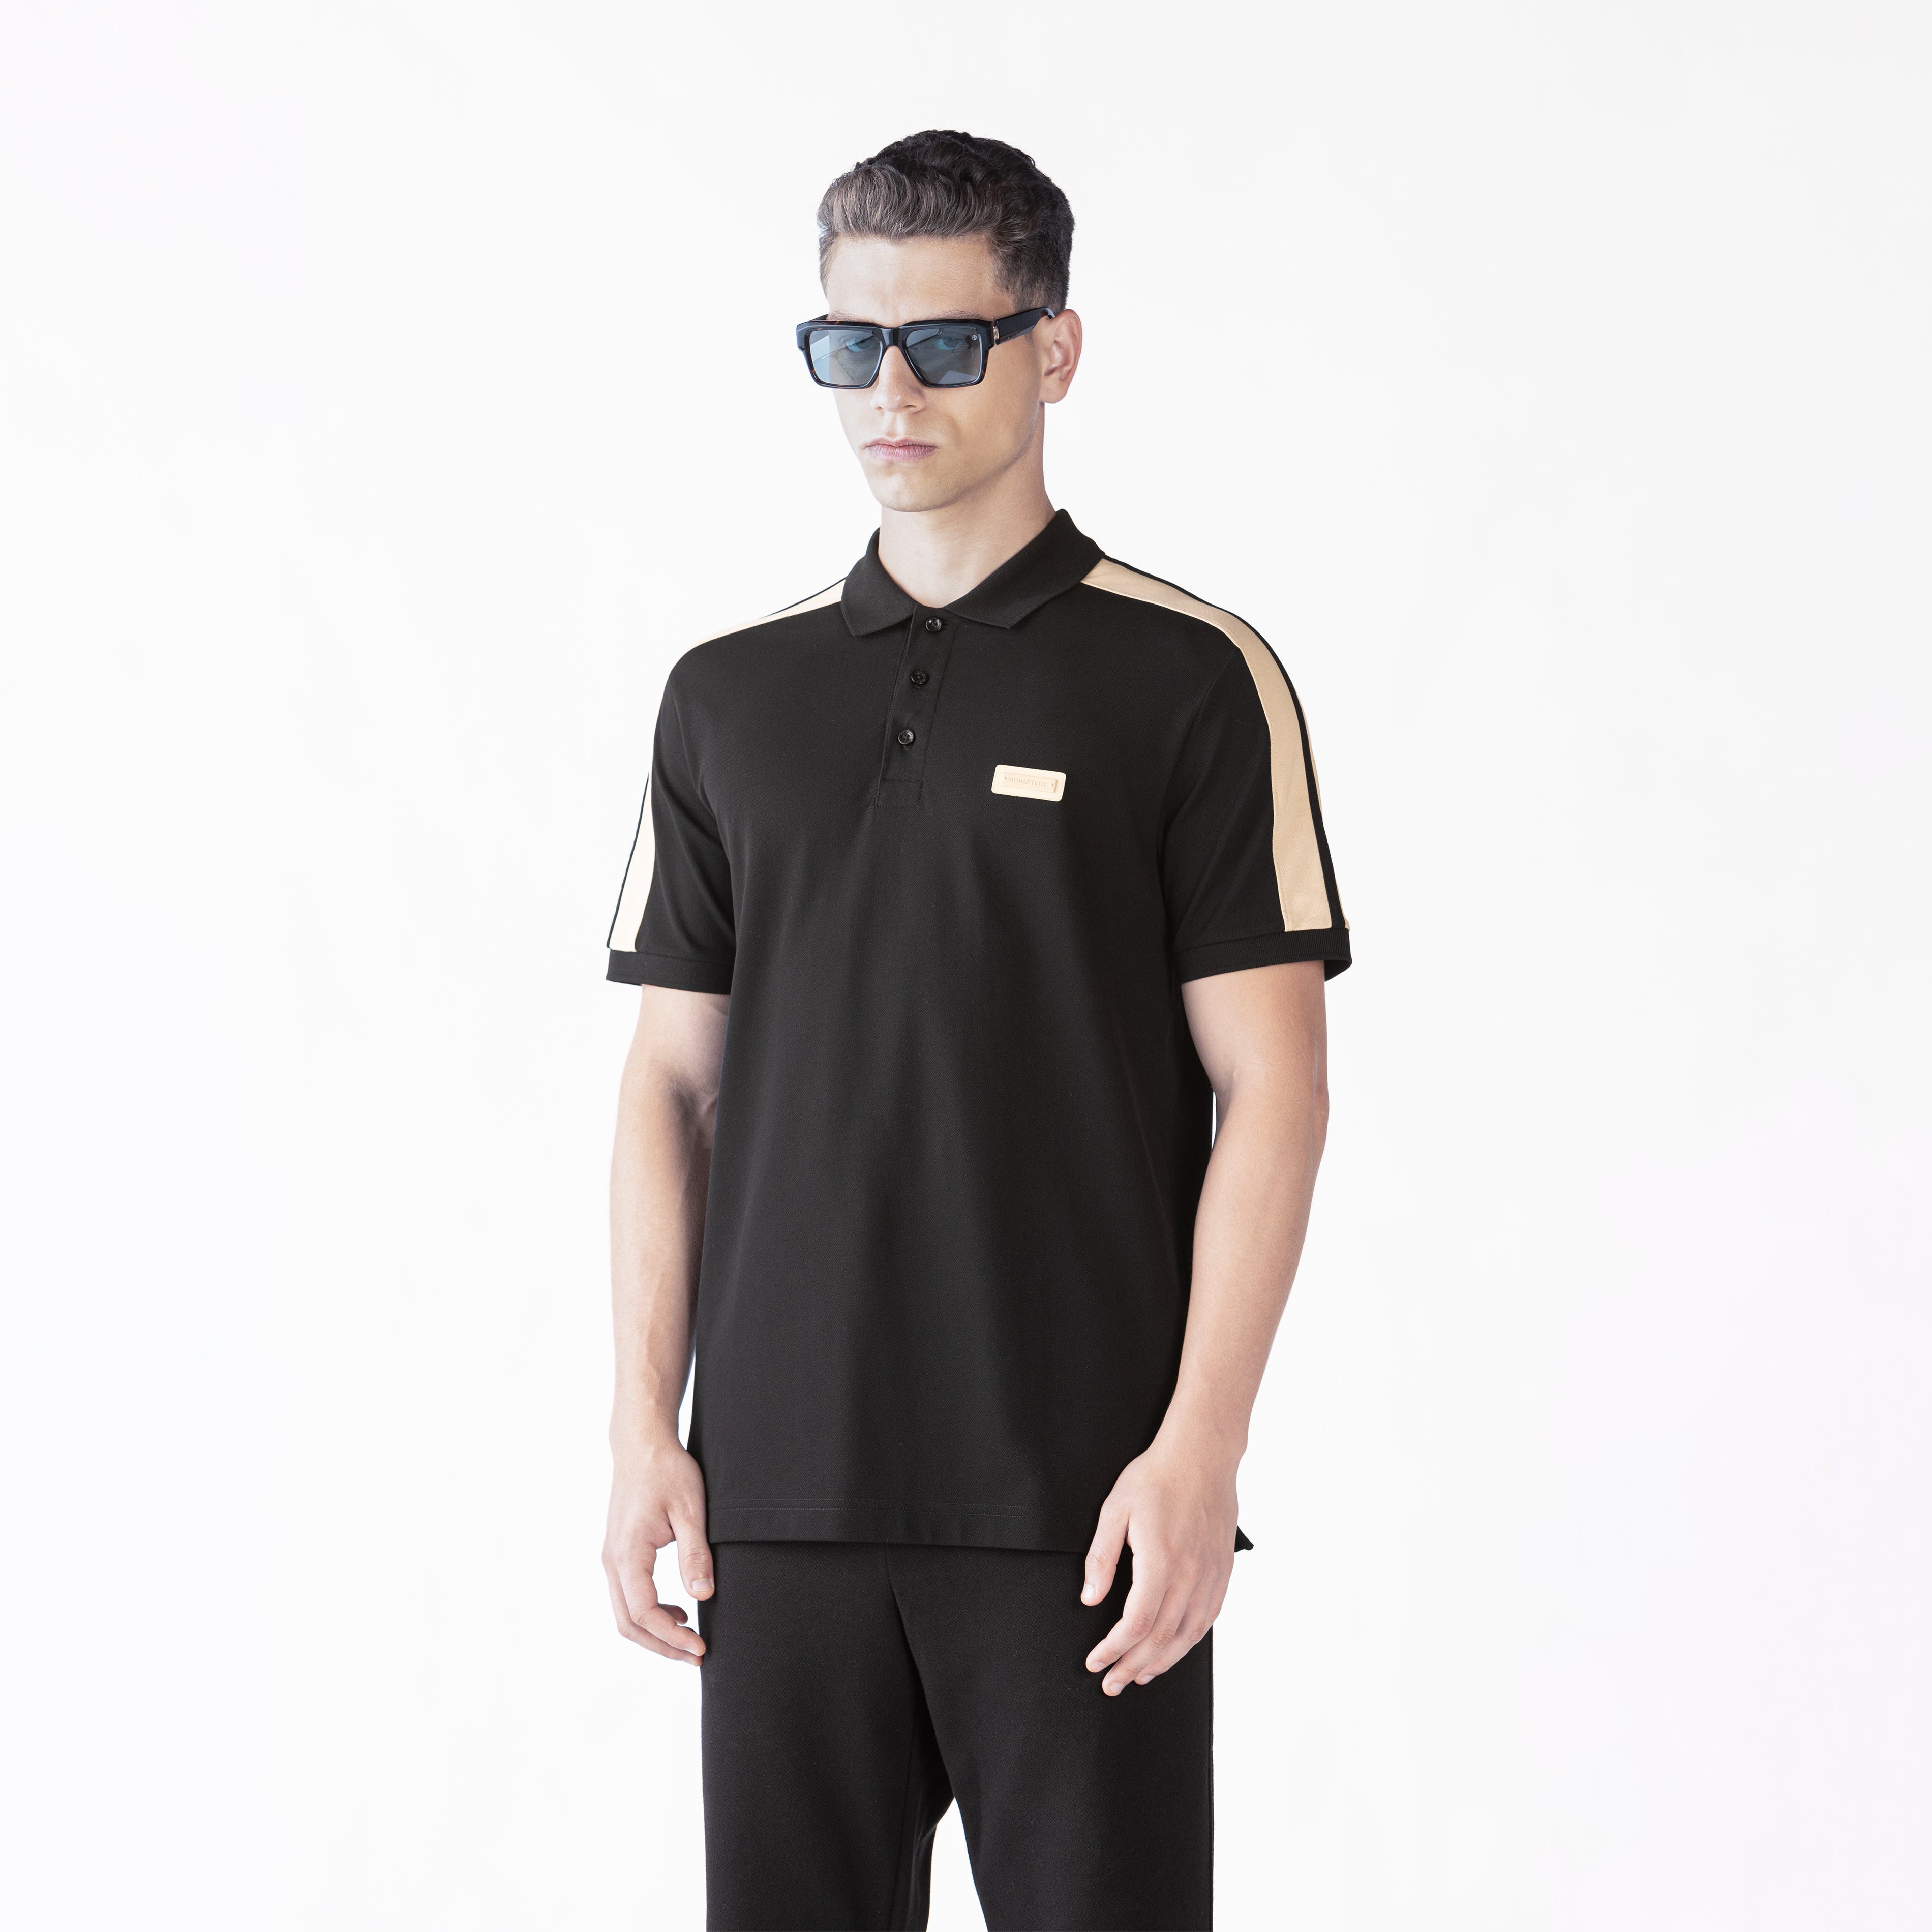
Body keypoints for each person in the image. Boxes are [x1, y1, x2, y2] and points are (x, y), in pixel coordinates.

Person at [600, 129, 1349, 1932]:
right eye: (850, 346)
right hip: (777, 1502)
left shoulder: (1191, 678)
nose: (893, 393)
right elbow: (672, 1084)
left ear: (1053, 350)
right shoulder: (728, 697)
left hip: (1080, 1507)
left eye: (945, 344)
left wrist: (1202, 1449)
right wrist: (643, 1429)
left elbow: (1274, 1090)